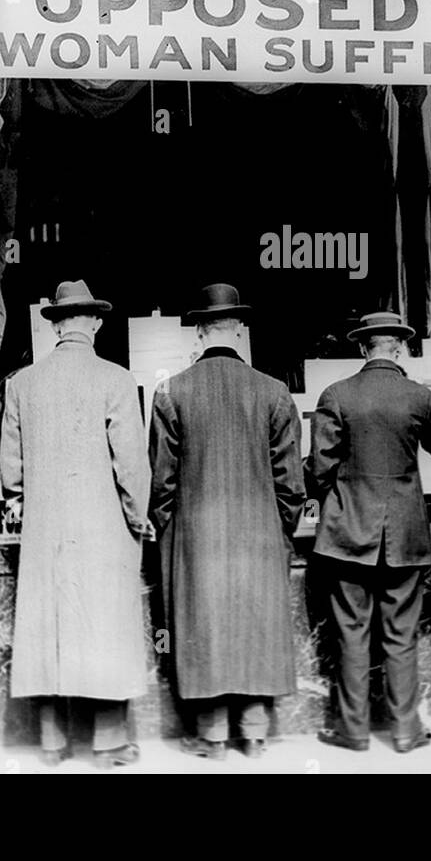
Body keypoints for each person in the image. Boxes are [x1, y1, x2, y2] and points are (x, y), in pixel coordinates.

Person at [0, 280, 152, 770]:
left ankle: (51, 742)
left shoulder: (22, 383)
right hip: (104, 527)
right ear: (96, 323)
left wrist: (19, 502)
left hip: (45, 527)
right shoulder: (117, 380)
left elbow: (11, 468)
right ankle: (108, 743)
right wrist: (138, 518)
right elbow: (131, 465)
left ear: (56, 325)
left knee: (49, 631)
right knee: (104, 630)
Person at [149, 283, 305, 760]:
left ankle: (213, 735)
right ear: (239, 330)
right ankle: (254, 733)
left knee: (205, 630)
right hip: (258, 536)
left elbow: (161, 483)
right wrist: (278, 526)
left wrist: (171, 531)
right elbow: (291, 485)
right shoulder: (275, 393)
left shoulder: (170, 391)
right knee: (255, 628)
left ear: (199, 332)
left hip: (196, 539)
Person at [306, 311, 431, 754]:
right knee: (400, 634)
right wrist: (420, 403)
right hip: (405, 537)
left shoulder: (337, 394)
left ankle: (352, 732)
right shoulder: (417, 396)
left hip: (347, 534)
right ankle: (406, 730)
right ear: (399, 348)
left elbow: (320, 468)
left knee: (351, 634)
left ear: (362, 348)